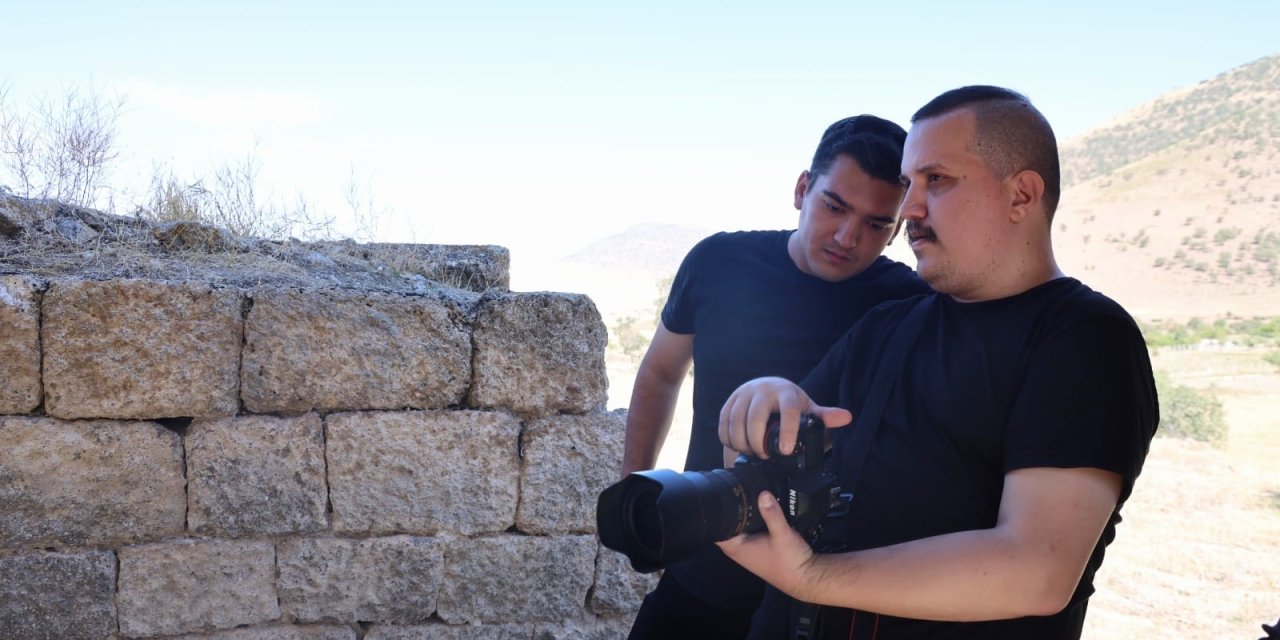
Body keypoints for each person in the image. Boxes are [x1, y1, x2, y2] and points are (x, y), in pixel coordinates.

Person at [715, 86, 1159, 639]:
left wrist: (814, 579)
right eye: (909, 184)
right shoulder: (887, 326)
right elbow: (767, 469)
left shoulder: (1086, 339)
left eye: (937, 180)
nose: (908, 209)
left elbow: (1036, 569)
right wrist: (760, 403)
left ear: (1022, 194)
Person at [620, 115, 931, 639]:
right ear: (802, 189)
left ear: (897, 229)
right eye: (834, 205)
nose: (847, 236)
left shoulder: (910, 304)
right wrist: (637, 490)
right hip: (702, 564)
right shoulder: (719, 262)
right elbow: (660, 373)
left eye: (877, 224)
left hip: (828, 592)